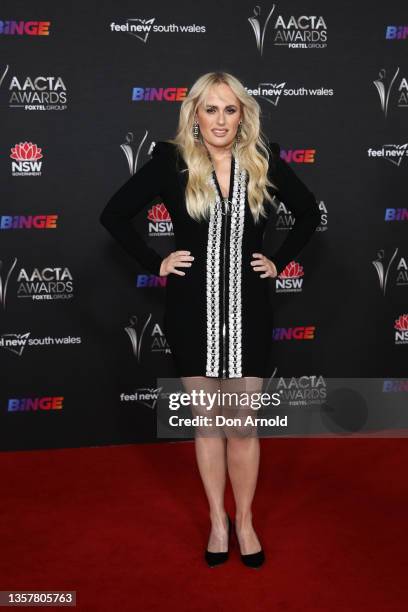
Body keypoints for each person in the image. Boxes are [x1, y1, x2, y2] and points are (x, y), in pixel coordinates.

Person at [100, 71, 321, 569]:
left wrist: (279, 261)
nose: (220, 120)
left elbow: (308, 213)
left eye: (230, 109)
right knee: (207, 424)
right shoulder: (171, 165)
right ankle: (217, 522)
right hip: (190, 311)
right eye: (210, 109)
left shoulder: (263, 163)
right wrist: (154, 260)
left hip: (250, 312)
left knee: (242, 425)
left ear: (242, 115)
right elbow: (113, 215)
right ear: (194, 115)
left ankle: (245, 521)